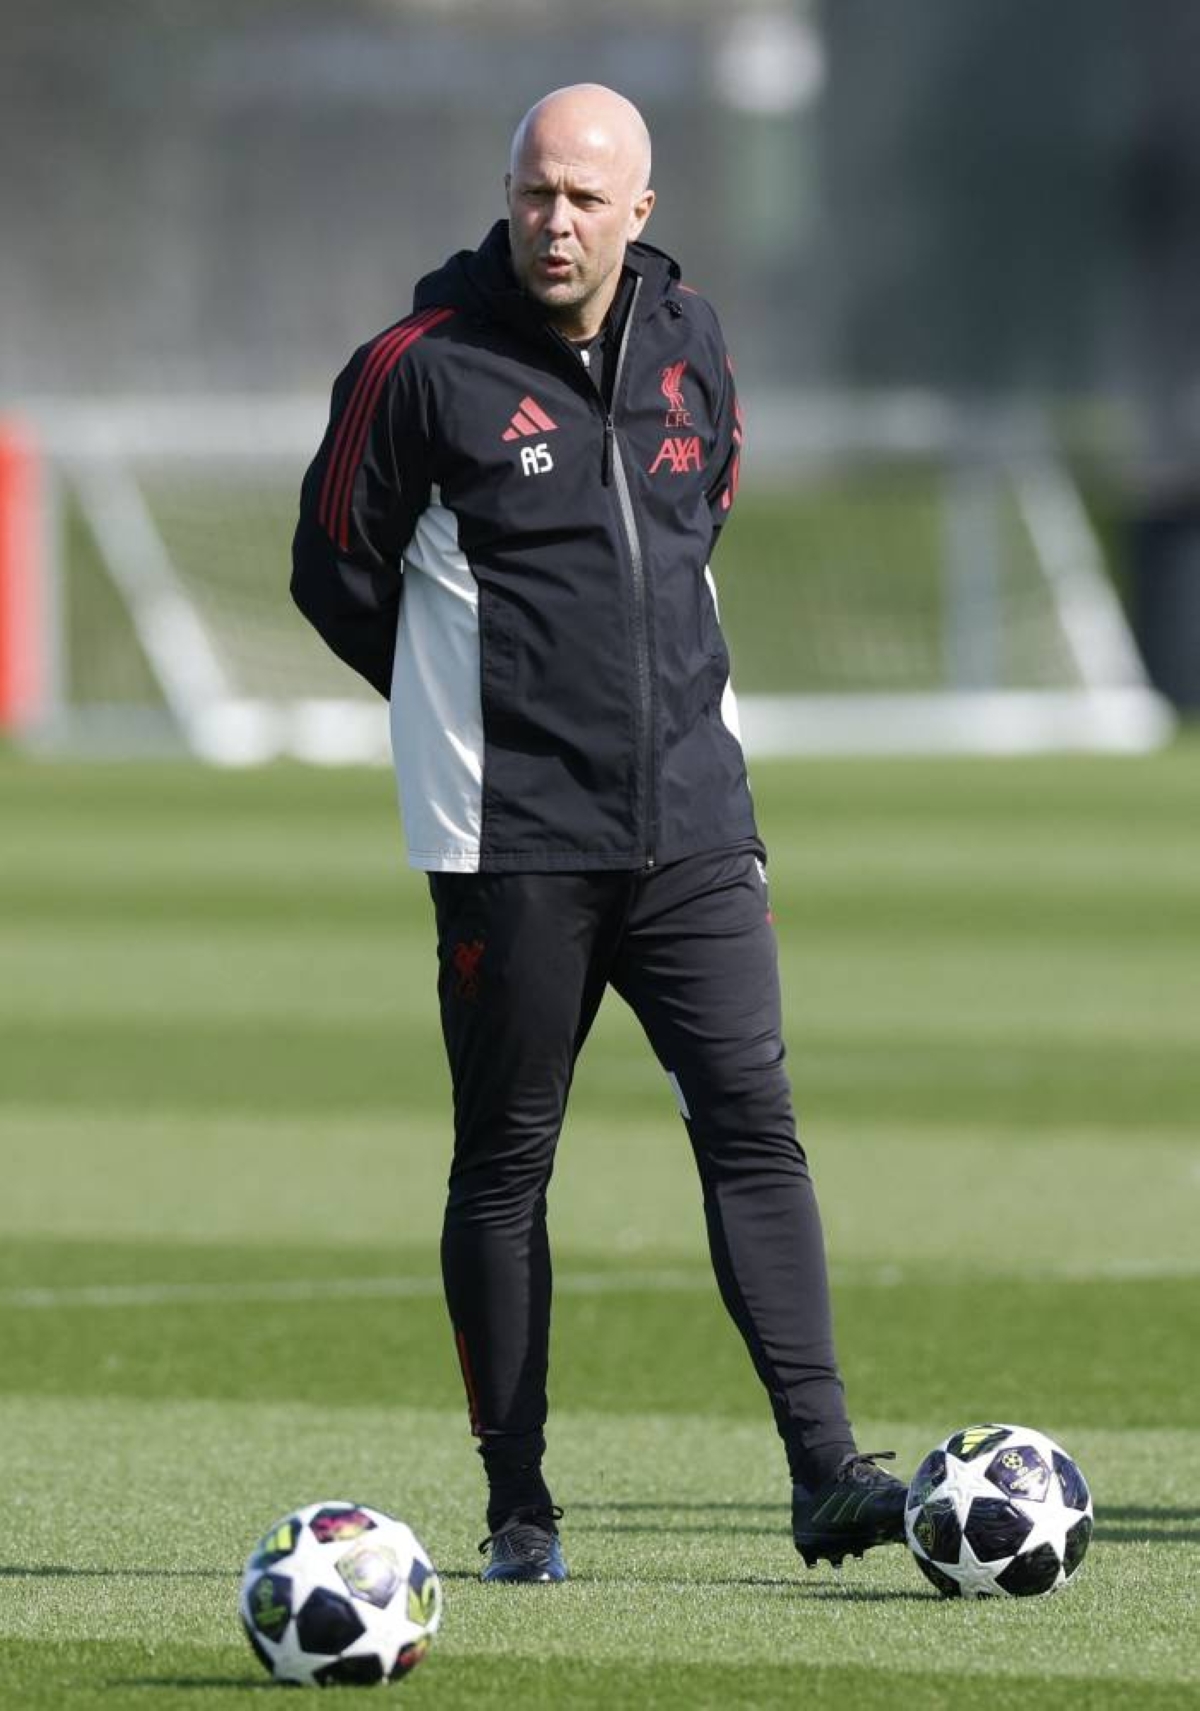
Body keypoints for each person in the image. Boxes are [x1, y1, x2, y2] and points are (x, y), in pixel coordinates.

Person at [292, 83, 907, 1584]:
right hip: (513, 837)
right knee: (508, 1161)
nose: (553, 222)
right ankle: (520, 1509)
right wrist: (474, 702)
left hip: (696, 819)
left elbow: (705, 518)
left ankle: (827, 1472)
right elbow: (333, 570)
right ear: (506, 200)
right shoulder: (417, 370)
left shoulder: (692, 343)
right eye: (532, 194)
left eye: (582, 197)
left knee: (754, 1130)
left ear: (642, 209)